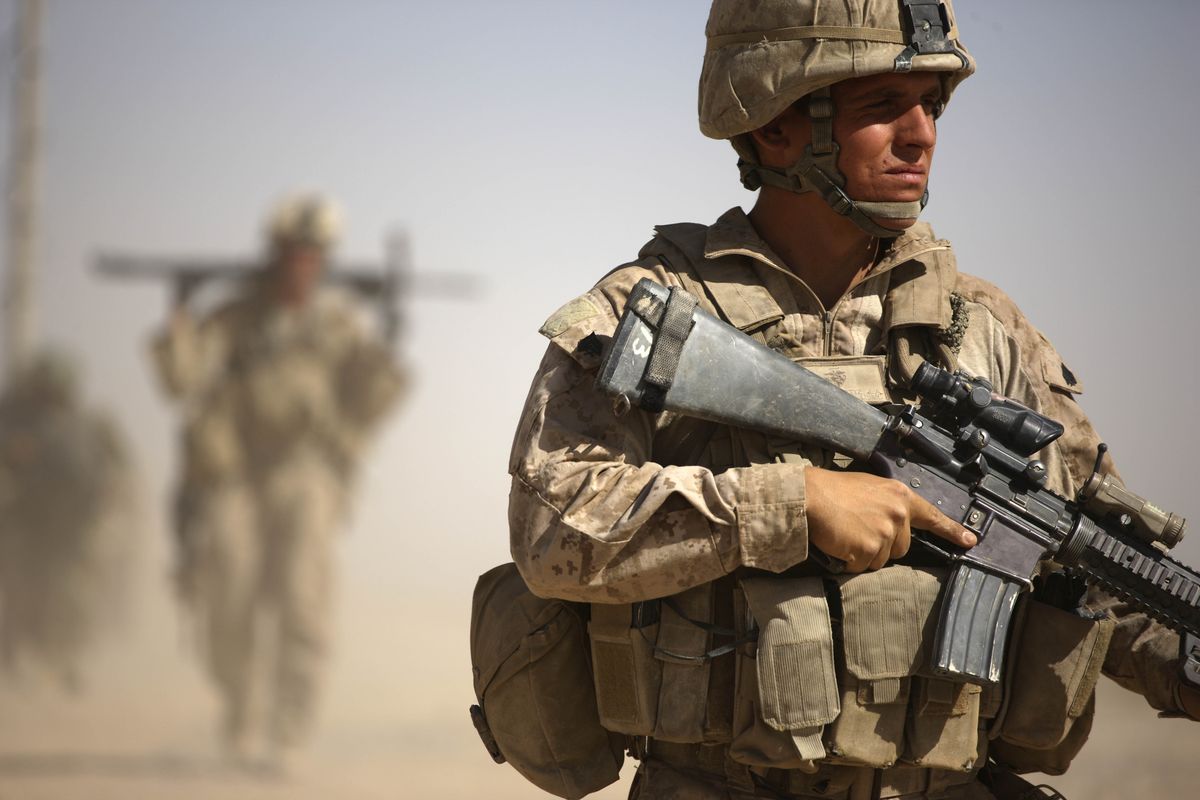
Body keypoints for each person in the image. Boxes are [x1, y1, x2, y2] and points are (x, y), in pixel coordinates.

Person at [506, 2, 1198, 798]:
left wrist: (1176, 670)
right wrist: (793, 503)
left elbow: (1092, 559)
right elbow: (549, 522)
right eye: (882, 106)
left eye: (932, 105)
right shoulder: (658, 316)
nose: (922, 134)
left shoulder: (984, 329)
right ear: (775, 125)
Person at [151, 193, 407, 768]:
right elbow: (181, 382)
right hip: (235, 474)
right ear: (275, 255)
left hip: (305, 472)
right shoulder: (235, 317)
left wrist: (389, 341)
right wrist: (179, 319)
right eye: (294, 253)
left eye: (313, 255)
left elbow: (369, 403)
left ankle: (288, 732)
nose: (302, 265)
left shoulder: (336, 322)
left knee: (303, 600)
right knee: (228, 590)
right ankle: (240, 714)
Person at [0, 349, 137, 692]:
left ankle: (64, 660)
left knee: (74, 595)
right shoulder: (16, 424)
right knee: (21, 591)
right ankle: (21, 659)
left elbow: (119, 474)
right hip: (29, 526)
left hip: (74, 527)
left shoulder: (89, 426)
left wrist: (112, 513)